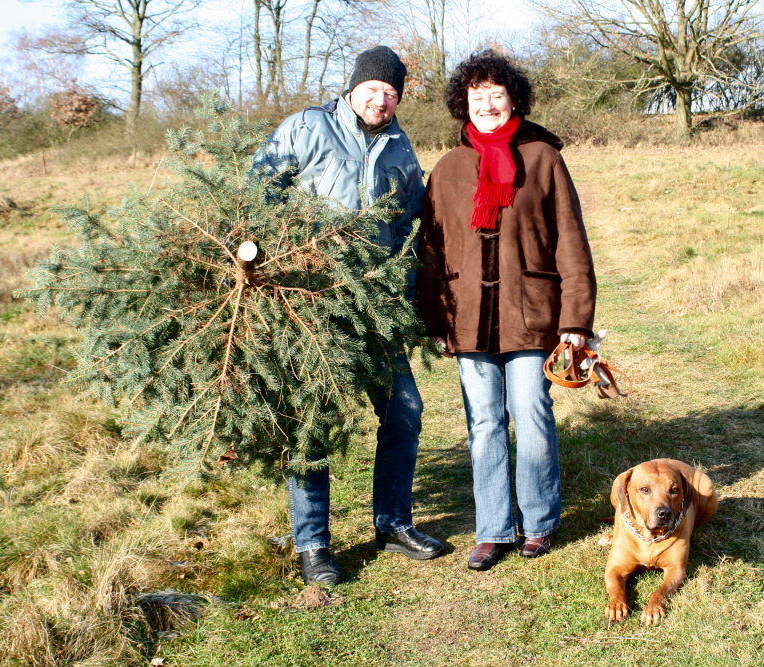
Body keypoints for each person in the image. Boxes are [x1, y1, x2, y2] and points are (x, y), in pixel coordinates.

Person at [253, 45, 444, 585]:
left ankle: (393, 524)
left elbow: (411, 227)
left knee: (404, 411)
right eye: (373, 88)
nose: (380, 98)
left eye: (391, 92)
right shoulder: (306, 129)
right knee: (312, 422)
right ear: (353, 86)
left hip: (375, 309)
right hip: (313, 303)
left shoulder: (401, 149)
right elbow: (258, 196)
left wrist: (404, 288)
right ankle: (312, 545)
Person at [415, 51, 597, 571]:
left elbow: (571, 242)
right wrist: (433, 317)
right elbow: (432, 248)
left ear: (513, 99)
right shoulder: (448, 168)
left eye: (497, 94)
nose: (488, 104)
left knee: (532, 415)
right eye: (477, 96)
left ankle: (539, 522)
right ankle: (493, 529)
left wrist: (576, 320)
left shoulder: (543, 158)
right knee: (484, 425)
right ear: (462, 105)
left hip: (532, 313)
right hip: (468, 316)